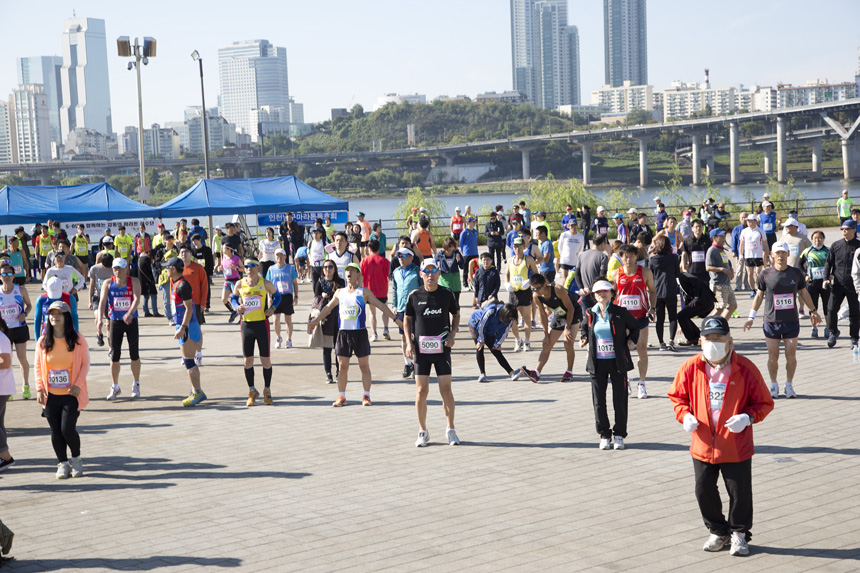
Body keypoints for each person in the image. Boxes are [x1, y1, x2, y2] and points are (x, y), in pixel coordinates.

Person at [668, 315, 774, 557]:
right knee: (703, 489)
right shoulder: (691, 366)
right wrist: (684, 415)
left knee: (739, 492)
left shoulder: (745, 368)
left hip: (735, 444)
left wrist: (747, 418)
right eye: (708, 339)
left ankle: (739, 533)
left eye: (719, 338)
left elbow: (764, 403)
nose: (713, 343)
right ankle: (718, 530)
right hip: (703, 442)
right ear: (700, 340)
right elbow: (677, 397)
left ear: (730, 341)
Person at [308, 263, 401, 407]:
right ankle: (342, 397)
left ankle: (366, 395)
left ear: (358, 275)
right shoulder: (340, 292)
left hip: (360, 334)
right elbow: (327, 308)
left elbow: (381, 306)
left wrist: (396, 320)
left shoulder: (364, 292)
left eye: (352, 270)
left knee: (364, 366)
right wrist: (315, 321)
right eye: (347, 270)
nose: (349, 273)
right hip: (343, 333)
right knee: (342, 366)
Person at [744, 242, 820, 399]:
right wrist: (751, 317)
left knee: (791, 356)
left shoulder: (796, 273)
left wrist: (813, 311)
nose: (780, 256)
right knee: (773, 356)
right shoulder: (765, 274)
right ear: (772, 254)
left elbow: (804, 293)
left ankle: (789, 385)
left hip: (791, 322)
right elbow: (759, 296)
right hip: (771, 322)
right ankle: (773, 385)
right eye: (777, 253)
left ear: (787, 254)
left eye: (783, 253)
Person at [405, 259, 460, 447]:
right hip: (421, 351)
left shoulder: (447, 294)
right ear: (421, 274)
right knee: (421, 391)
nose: (430, 274)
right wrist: (408, 342)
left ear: (439, 273)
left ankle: (450, 429)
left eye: (434, 270)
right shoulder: (414, 295)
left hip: (442, 349)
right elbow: (407, 319)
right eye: (426, 271)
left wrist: (452, 334)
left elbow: (457, 314)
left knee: (446, 390)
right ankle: (422, 431)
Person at [580, 280, 639, 450]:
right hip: (597, 363)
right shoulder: (590, 313)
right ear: (594, 295)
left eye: (605, 291)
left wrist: (631, 341)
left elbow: (635, 327)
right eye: (598, 292)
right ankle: (604, 434)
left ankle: (619, 435)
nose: (602, 294)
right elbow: (585, 328)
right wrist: (584, 338)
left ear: (612, 294)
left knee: (619, 399)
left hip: (617, 362)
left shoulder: (620, 312)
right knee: (599, 401)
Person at [35, 300, 90, 479]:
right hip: (50, 395)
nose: (55, 317)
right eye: (52, 314)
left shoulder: (78, 339)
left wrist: (78, 385)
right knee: (55, 431)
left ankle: (76, 459)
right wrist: (39, 388)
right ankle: (62, 463)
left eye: (59, 313)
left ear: (66, 316)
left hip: (70, 394)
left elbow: (85, 364)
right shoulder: (43, 341)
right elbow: (37, 366)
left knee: (67, 429)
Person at [230, 259, 279, 406]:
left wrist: (273, 308)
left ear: (257, 267)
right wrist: (236, 307)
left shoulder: (265, 283)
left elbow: (278, 296)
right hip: (246, 326)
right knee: (247, 361)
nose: (248, 269)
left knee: (265, 360)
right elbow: (233, 298)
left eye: (251, 266)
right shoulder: (240, 284)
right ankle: (251, 390)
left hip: (262, 325)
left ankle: (267, 390)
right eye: (246, 266)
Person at [611, 244, 656, 398]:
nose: (628, 259)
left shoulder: (645, 272)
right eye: (624, 256)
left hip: (640, 318)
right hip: (622, 320)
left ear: (636, 256)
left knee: (642, 350)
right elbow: (611, 295)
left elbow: (652, 291)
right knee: (623, 350)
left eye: (630, 256)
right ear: (620, 257)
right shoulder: (615, 274)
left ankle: (642, 383)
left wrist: (653, 308)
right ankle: (627, 380)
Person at [518, 273, 580, 383]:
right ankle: (536, 373)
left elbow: (571, 308)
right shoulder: (536, 296)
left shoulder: (558, 290)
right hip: (558, 315)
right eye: (533, 289)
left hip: (573, 314)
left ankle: (569, 372)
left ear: (545, 284)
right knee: (546, 344)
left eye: (538, 288)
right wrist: (546, 335)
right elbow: (542, 315)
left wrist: (567, 327)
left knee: (568, 343)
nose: (536, 291)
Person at [165, 258, 207, 407]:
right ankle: (194, 390)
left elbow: (189, 308)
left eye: (168, 267)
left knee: (189, 361)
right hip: (183, 324)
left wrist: (183, 327)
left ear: (174, 269)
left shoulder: (183, 285)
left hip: (187, 325)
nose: (166, 270)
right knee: (188, 360)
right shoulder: (176, 284)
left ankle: (197, 392)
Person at [100, 258, 142, 400]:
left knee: (134, 354)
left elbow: (137, 298)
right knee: (114, 356)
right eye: (115, 268)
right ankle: (115, 386)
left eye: (120, 268)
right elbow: (102, 302)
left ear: (126, 269)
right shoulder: (108, 283)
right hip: (115, 321)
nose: (117, 271)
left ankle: (136, 383)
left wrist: (130, 313)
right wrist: (99, 319)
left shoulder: (134, 281)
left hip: (131, 321)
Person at [824, 219, 860, 348]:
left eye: (847, 229)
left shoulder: (858, 246)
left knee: (855, 312)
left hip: (854, 286)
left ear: (854, 230)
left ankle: (854, 337)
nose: (844, 231)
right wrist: (825, 279)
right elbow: (828, 263)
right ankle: (833, 332)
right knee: (831, 309)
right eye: (842, 229)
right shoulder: (836, 245)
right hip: (838, 284)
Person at [0, 263, 31, 398]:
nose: (6, 277)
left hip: (19, 328)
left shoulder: (21, 290)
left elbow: (29, 305)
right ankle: (9, 389)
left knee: (21, 358)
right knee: (7, 360)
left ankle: (26, 385)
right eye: (3, 274)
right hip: (4, 332)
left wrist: (25, 313)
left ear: (13, 275)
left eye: (9, 274)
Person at [469, 301, 520, 383]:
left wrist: (497, 344)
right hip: (476, 325)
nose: (509, 320)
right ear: (503, 313)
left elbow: (504, 332)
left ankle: (511, 373)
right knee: (479, 348)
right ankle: (482, 374)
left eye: (511, 318)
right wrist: (481, 340)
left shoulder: (510, 319)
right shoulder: (491, 311)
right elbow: (481, 326)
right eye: (508, 317)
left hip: (490, 329)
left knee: (496, 350)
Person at [312, 260, 345, 383]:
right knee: (326, 347)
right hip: (325, 318)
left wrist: (330, 294)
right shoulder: (320, 283)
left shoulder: (340, 282)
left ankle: (338, 372)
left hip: (339, 317)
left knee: (339, 347)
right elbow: (315, 301)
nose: (327, 269)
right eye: (325, 267)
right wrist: (322, 296)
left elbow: (343, 296)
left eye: (330, 267)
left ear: (335, 269)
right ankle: (328, 373)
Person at [506, 237, 540, 352]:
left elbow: (537, 274)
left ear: (523, 247)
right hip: (513, 293)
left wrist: (530, 282)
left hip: (525, 292)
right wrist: (506, 284)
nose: (517, 249)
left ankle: (527, 341)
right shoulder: (510, 260)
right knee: (512, 320)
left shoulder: (529, 259)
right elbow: (507, 274)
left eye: (519, 246)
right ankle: (517, 340)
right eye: (515, 246)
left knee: (526, 319)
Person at [648, 236, 679, 352]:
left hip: (657, 291)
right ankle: (671, 340)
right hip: (670, 289)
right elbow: (677, 273)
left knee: (660, 319)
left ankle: (661, 343)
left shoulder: (653, 260)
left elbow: (650, 275)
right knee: (673, 317)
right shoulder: (673, 258)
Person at [178, 246, 208, 366]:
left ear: (191, 254)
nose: (184, 254)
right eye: (182, 252)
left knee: (196, 330)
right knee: (182, 330)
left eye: (186, 252)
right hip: (181, 305)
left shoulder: (198, 268)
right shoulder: (177, 269)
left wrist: (203, 303)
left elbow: (205, 286)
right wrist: (173, 304)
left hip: (195, 304)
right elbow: (172, 287)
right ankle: (185, 355)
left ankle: (199, 354)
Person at [265, 248, 299, 350]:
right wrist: (269, 297)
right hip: (276, 296)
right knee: (276, 320)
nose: (279, 258)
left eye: (281, 255)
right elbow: (268, 284)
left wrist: (296, 296)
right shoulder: (271, 269)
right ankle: (278, 337)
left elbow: (295, 283)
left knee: (288, 320)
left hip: (287, 296)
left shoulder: (289, 268)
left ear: (285, 256)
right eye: (277, 256)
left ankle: (289, 339)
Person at [801, 231, 830, 338]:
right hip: (812, 283)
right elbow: (800, 265)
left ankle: (828, 328)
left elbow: (835, 264)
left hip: (825, 283)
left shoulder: (828, 251)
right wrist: (805, 275)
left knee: (827, 306)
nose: (817, 240)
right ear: (812, 239)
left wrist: (831, 275)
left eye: (820, 238)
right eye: (815, 238)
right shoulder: (807, 251)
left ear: (823, 239)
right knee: (813, 307)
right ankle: (814, 328)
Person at [360, 239, 390, 342]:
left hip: (369, 291)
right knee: (385, 310)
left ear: (369, 248)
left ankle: (374, 333)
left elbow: (361, 275)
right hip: (382, 290)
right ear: (379, 248)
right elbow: (389, 276)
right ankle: (386, 329)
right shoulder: (385, 261)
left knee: (372, 313)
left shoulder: (364, 260)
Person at [706, 229, 737, 320]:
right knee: (719, 308)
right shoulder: (711, 250)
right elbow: (708, 267)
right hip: (718, 284)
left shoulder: (721, 250)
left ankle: (721, 324)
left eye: (724, 236)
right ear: (714, 238)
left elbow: (726, 262)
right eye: (721, 236)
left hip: (726, 283)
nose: (724, 238)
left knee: (732, 306)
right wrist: (722, 269)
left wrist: (730, 269)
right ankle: (708, 325)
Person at [739, 214, 770, 297]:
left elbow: (766, 245)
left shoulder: (761, 231)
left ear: (755, 221)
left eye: (751, 221)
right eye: (748, 221)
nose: (749, 223)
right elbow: (741, 245)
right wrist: (741, 256)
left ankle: (760, 290)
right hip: (748, 256)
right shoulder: (744, 231)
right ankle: (753, 290)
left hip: (758, 255)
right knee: (749, 274)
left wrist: (767, 256)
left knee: (758, 273)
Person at [0, 315, 16, 471]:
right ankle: (4, 458)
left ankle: (5, 456)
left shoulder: (1, 338)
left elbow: (5, 362)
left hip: (1, 387)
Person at [680, 219, 711, 286]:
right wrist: (684, 268)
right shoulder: (688, 240)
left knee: (704, 292)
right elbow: (684, 254)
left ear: (703, 228)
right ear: (692, 228)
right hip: (692, 270)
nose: (698, 228)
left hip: (704, 271)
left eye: (700, 226)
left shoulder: (707, 240)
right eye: (696, 226)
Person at [191, 234, 214, 312]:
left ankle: (207, 304)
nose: (194, 243)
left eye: (195, 241)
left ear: (200, 240)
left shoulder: (207, 250)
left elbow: (211, 261)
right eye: (193, 241)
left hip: (206, 272)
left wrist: (211, 273)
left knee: (206, 288)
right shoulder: (192, 251)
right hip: (196, 273)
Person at [557, 217, 584, 284]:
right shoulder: (564, 235)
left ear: (577, 226)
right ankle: (563, 293)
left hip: (574, 261)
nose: (573, 227)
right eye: (572, 226)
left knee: (574, 279)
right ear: (569, 226)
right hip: (565, 260)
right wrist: (563, 256)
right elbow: (560, 247)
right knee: (565, 280)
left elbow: (581, 248)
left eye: (575, 225)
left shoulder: (580, 236)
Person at [221, 244, 243, 323]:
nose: (223, 250)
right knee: (224, 299)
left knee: (236, 299)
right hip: (227, 281)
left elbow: (243, 268)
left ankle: (241, 316)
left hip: (235, 281)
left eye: (224, 249)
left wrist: (236, 268)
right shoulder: (223, 258)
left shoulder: (236, 258)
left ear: (229, 249)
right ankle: (233, 312)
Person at [137, 248, 160, 318]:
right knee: (153, 295)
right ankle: (155, 312)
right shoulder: (147, 259)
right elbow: (150, 271)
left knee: (146, 296)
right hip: (149, 281)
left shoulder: (140, 258)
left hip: (142, 281)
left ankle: (146, 311)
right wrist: (153, 280)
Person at [730, 212, 748, 292]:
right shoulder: (736, 229)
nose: (744, 219)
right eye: (743, 218)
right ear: (740, 219)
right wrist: (733, 251)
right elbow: (733, 240)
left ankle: (748, 285)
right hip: (739, 252)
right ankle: (738, 286)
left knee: (748, 270)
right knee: (739, 269)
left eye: (746, 217)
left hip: (749, 253)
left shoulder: (751, 228)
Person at [460, 216, 479, 289]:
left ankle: (474, 283)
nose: (474, 223)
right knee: (466, 269)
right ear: (468, 223)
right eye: (472, 222)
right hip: (467, 254)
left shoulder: (475, 231)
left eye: (474, 221)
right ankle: (465, 284)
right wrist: (463, 251)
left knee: (475, 269)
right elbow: (461, 243)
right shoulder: (464, 232)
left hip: (475, 252)